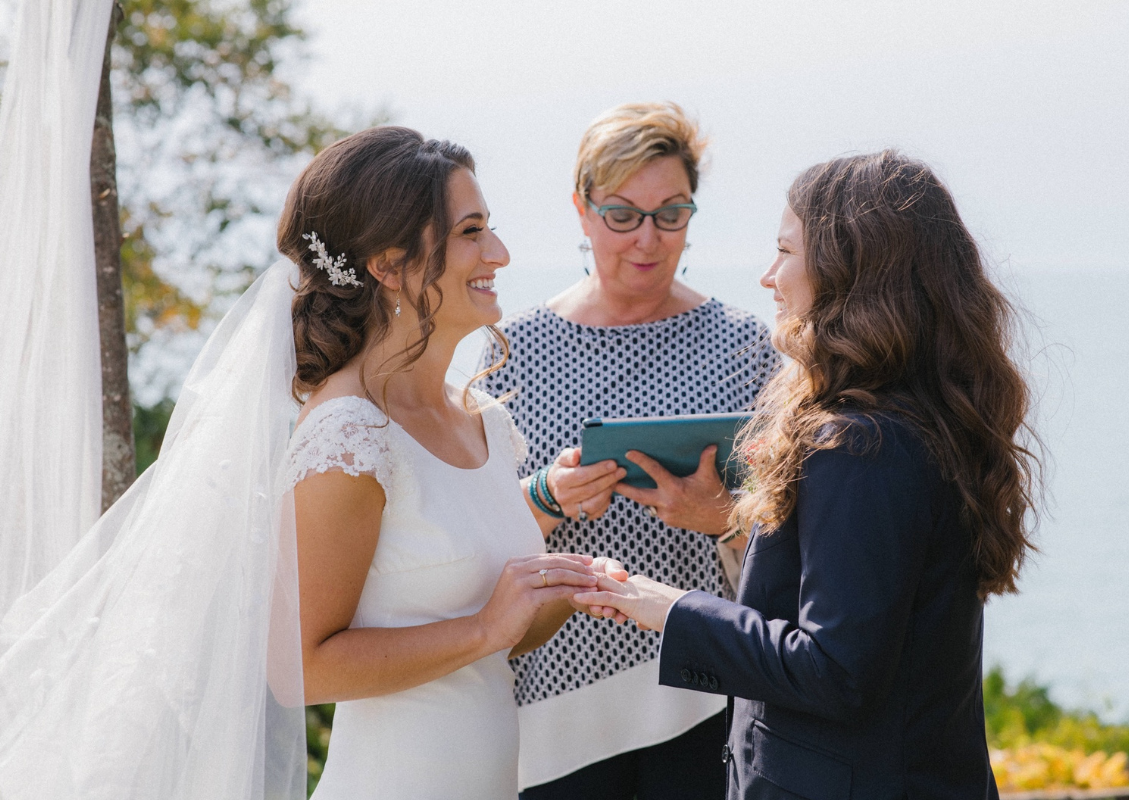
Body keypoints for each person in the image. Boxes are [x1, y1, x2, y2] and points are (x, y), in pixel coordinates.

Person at [0, 126, 623, 800]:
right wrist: (483, 627)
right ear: (388, 266)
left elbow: (486, 646)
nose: (498, 253)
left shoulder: (488, 426)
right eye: (471, 231)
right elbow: (299, 668)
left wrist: (562, 592)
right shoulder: (352, 435)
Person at [574, 151, 1041, 799]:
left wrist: (669, 608)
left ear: (848, 271)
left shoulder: (861, 442)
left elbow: (836, 671)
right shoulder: (921, 417)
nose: (768, 277)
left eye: (784, 251)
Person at [479, 102, 780, 799]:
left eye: (671, 213)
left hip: (705, 688)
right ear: (582, 212)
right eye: (622, 214)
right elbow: (475, 531)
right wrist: (548, 501)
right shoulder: (514, 352)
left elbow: (802, 529)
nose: (647, 238)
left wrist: (724, 517)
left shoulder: (745, 347)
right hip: (555, 695)